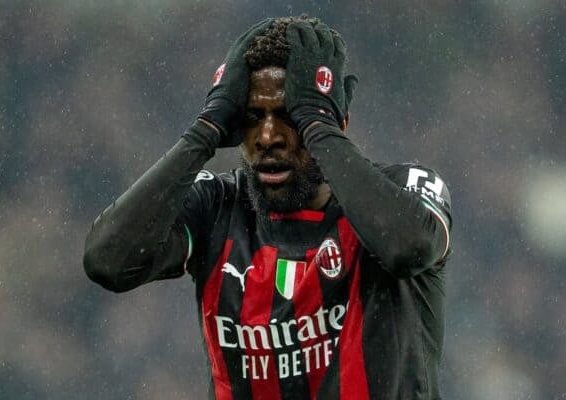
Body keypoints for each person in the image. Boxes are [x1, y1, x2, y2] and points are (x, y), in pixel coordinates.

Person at [84, 16, 452, 400]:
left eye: (291, 116)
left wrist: (317, 124)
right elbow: (108, 261)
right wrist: (204, 130)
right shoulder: (216, 208)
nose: (268, 137)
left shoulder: (404, 191)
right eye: (252, 118)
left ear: (334, 123)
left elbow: (408, 248)